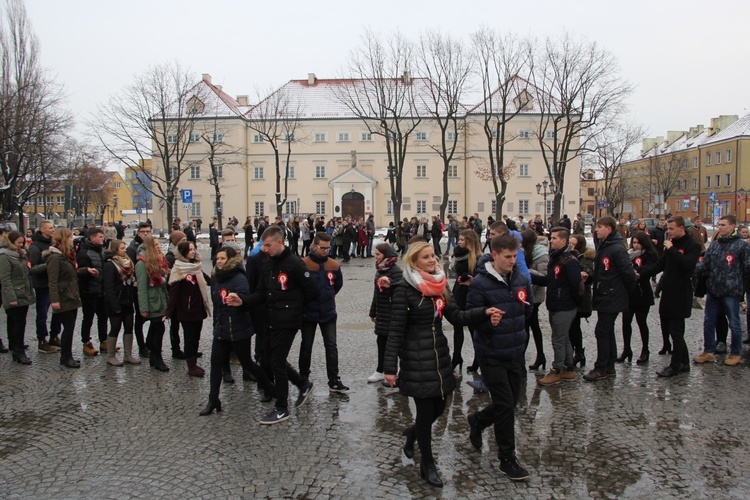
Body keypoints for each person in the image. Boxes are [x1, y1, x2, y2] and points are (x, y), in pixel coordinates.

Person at [383, 241, 502, 488]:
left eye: (433, 256)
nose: (432, 260)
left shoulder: (439, 285)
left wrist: (483, 312)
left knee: (440, 408)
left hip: (439, 356)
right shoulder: (404, 289)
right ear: (414, 261)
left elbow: (456, 315)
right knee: (426, 413)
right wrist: (389, 368)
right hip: (416, 358)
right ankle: (427, 464)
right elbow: (395, 331)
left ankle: (413, 433)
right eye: (425, 257)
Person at [225, 225, 320, 425]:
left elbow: (312, 291)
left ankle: (282, 407)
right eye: (263, 245)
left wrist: (294, 308)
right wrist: (242, 301)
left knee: (276, 361)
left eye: (267, 245)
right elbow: (260, 293)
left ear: (279, 241)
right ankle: (302, 383)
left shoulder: (294, 263)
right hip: (270, 319)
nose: (264, 249)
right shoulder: (267, 264)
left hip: (288, 321)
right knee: (266, 359)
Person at [465, 234, 532, 481]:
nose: (512, 261)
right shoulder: (480, 284)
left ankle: (478, 420)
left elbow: (528, 309)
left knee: (511, 402)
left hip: (515, 351)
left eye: (515, 256)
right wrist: (487, 320)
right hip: (491, 353)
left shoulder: (521, 278)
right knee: (505, 405)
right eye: (507, 257)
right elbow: (471, 317)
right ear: (494, 255)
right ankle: (507, 458)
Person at [199, 246, 276, 416]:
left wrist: (238, 300)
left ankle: (269, 386)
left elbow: (244, 300)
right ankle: (213, 399)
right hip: (221, 328)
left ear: (230, 260)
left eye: (222, 259)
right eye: (217, 258)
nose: (219, 261)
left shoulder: (239, 277)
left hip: (238, 328)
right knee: (215, 363)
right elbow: (216, 301)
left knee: (247, 362)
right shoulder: (217, 276)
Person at [638, 216, 701, 377]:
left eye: (672, 229)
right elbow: (660, 265)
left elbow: (688, 264)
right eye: (668, 229)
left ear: (681, 228)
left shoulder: (692, 246)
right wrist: (640, 274)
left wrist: (672, 249)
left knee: (676, 329)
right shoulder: (671, 246)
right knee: (671, 329)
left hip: (681, 292)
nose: (669, 232)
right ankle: (684, 362)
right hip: (668, 290)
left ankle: (675, 365)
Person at [692, 215, 750, 367]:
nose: (720, 227)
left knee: (734, 323)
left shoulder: (742, 246)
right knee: (709, 321)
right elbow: (705, 264)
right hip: (714, 290)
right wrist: (687, 268)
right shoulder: (716, 245)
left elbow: (747, 268)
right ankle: (708, 351)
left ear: (732, 226)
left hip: (731, 291)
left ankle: (735, 353)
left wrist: (740, 285)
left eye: (723, 225)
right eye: (719, 224)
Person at [583, 216, 636, 381]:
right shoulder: (605, 246)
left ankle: (601, 367)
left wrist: (627, 293)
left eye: (600, 226)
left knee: (602, 330)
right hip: (606, 293)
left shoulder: (616, 249)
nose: (596, 230)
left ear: (609, 228)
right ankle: (609, 365)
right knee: (607, 330)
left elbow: (627, 273)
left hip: (612, 295)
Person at [531, 227, 581, 385]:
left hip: (564, 306)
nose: (551, 241)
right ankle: (568, 368)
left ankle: (557, 370)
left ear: (564, 241)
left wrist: (569, 302)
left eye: (554, 238)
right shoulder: (555, 257)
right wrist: (530, 276)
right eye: (551, 238)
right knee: (564, 337)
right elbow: (550, 281)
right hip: (555, 304)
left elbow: (575, 285)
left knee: (558, 339)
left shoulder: (569, 260)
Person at [299, 232, 348, 392]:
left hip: (328, 313)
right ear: (314, 246)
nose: (326, 250)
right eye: (323, 248)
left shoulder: (333, 265)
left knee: (331, 346)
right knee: (306, 346)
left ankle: (333, 379)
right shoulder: (303, 264)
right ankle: (303, 377)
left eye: (328, 247)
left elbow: (337, 285)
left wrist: (328, 295)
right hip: (308, 313)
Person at [166, 241, 210, 377]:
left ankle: (194, 362)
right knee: (189, 338)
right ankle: (191, 366)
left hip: (199, 308)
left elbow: (208, 280)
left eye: (193, 249)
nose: (193, 251)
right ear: (184, 252)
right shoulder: (178, 269)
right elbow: (173, 293)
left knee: (196, 337)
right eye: (190, 250)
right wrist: (168, 312)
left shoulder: (195, 266)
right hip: (186, 311)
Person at [44, 228, 86, 368]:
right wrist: (54, 300)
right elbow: (52, 280)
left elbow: (72, 274)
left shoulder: (67, 255)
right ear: (63, 239)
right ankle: (65, 357)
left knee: (70, 327)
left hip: (71, 295)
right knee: (68, 328)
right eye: (69, 237)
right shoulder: (55, 257)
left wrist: (85, 271)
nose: (72, 239)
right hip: (63, 297)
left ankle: (67, 355)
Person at [617, 232, 658, 365]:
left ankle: (645, 349)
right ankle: (626, 349)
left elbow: (652, 268)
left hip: (642, 293)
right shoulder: (628, 254)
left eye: (638, 243)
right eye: (633, 243)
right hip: (629, 293)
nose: (635, 245)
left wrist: (639, 273)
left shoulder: (649, 255)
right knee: (626, 322)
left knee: (641, 322)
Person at [367, 243, 403, 383]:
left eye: (377, 254)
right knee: (381, 342)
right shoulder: (380, 269)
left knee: (395, 344)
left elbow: (400, 292)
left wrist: (390, 284)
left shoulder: (395, 271)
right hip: (382, 312)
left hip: (392, 313)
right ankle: (380, 370)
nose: (375, 257)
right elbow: (376, 293)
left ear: (386, 255)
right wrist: (373, 311)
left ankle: (400, 370)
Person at [135, 235, 170, 372]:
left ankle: (154, 357)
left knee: (157, 329)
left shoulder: (159, 261)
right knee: (159, 329)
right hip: (152, 302)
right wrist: (143, 308)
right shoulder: (142, 264)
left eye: (158, 244)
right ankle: (158, 358)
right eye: (155, 245)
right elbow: (141, 288)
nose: (158, 247)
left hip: (160, 299)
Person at [102, 239, 139, 366]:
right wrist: (115, 305)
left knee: (129, 327)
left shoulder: (129, 263)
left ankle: (128, 355)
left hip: (128, 300)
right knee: (115, 327)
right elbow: (109, 287)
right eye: (122, 248)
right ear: (115, 250)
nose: (125, 250)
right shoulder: (110, 265)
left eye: (125, 247)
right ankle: (110, 355)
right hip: (116, 301)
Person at [0, 231, 35, 365]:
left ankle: (14, 345)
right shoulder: (5, 256)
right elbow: (5, 279)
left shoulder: (21, 255)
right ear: (11, 242)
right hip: (15, 294)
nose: (21, 245)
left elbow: (27, 272)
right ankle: (18, 350)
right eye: (19, 243)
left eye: (22, 242)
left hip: (23, 292)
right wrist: (11, 297)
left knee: (16, 322)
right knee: (18, 323)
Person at [451, 229, 483, 373]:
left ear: (469, 242)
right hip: (459, 291)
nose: (459, 242)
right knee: (457, 326)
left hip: (471, 293)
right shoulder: (458, 254)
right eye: (459, 239)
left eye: (462, 240)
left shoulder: (478, 257)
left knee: (472, 327)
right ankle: (456, 356)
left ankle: (478, 358)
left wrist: (470, 278)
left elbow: (481, 277)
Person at [28, 221, 62, 354]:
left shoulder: (54, 244)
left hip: (55, 283)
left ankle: (54, 336)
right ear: (42, 230)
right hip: (42, 284)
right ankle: (42, 339)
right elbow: (32, 269)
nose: (53, 229)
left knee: (58, 311)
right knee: (42, 314)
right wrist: (50, 266)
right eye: (50, 228)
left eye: (54, 227)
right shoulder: (35, 247)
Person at [76, 227, 109, 356]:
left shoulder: (102, 251)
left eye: (103, 236)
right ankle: (86, 342)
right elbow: (81, 273)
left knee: (103, 317)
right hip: (89, 291)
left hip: (101, 290)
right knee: (88, 318)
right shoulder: (84, 253)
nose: (103, 239)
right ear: (92, 238)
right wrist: (89, 273)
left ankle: (104, 341)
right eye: (100, 237)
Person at [523, 229, 548, 372]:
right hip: (527, 294)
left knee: (530, 325)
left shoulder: (540, 253)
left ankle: (539, 355)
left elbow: (545, 276)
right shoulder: (526, 252)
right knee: (531, 325)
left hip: (535, 295)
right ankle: (540, 356)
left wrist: (526, 272)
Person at [127, 222, 152, 357]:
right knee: (140, 317)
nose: (145, 234)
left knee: (154, 317)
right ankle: (142, 346)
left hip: (152, 287)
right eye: (143, 231)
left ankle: (149, 343)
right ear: (138, 233)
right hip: (138, 287)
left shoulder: (151, 246)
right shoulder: (132, 249)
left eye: (148, 231)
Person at [569, 234, 593, 367]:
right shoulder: (569, 255)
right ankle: (576, 352)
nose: (571, 245)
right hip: (572, 296)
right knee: (573, 326)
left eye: (573, 243)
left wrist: (584, 274)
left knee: (575, 326)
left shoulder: (585, 257)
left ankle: (578, 353)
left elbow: (589, 274)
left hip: (581, 296)